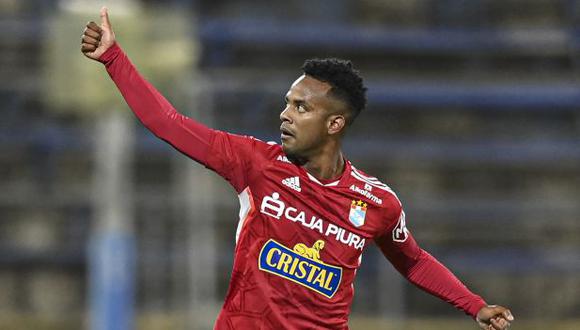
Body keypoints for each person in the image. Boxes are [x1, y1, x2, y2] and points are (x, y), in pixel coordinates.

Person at [81, 8, 514, 330]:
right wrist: (114, 59)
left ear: (334, 123)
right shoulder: (254, 163)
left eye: (301, 107)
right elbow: (169, 124)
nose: (285, 114)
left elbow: (414, 261)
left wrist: (474, 305)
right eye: (288, 102)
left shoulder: (376, 201)